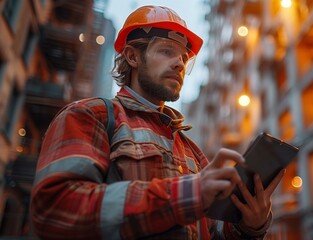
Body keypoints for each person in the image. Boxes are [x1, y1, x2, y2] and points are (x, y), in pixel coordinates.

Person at [30, 5, 285, 240]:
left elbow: (209, 229)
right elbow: (54, 210)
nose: (179, 63)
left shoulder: (192, 151)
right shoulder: (89, 115)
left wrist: (248, 225)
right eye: (166, 51)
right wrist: (187, 194)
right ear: (132, 57)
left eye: (184, 58)